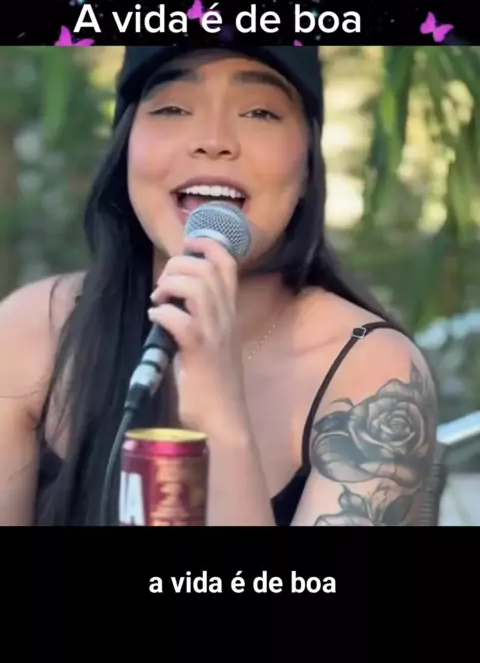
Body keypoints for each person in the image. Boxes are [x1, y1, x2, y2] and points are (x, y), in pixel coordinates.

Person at [0, 46, 437, 526]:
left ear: (308, 164)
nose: (213, 141)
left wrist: (220, 416)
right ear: (125, 147)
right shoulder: (32, 329)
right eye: (172, 108)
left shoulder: (374, 372)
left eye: (259, 113)